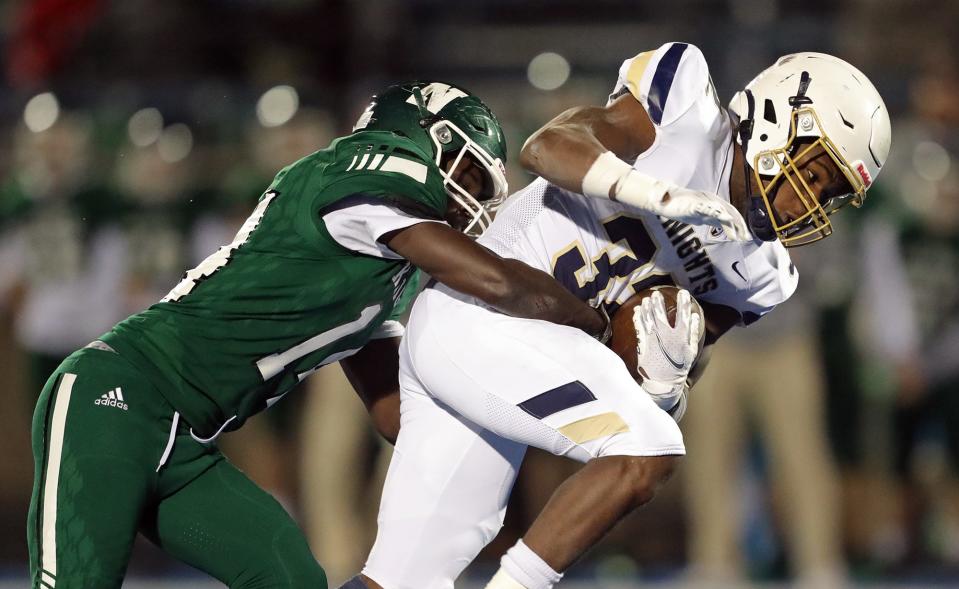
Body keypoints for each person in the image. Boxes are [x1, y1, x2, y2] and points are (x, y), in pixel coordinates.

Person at [26, 81, 655, 589]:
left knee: (287, 573)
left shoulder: (377, 271)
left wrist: (502, 435)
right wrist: (599, 323)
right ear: (419, 139)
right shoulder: (354, 179)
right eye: (464, 167)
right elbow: (498, 282)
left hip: (183, 440)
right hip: (113, 399)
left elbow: (395, 417)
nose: (472, 203)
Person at [341, 44, 890, 589]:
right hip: (478, 313)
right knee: (645, 446)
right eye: (815, 177)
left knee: (402, 580)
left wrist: (669, 379)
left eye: (832, 196)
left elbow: (666, 364)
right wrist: (656, 194)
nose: (810, 205)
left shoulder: (764, 274)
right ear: (780, 120)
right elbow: (547, 148)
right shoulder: (685, 106)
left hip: (514, 355)